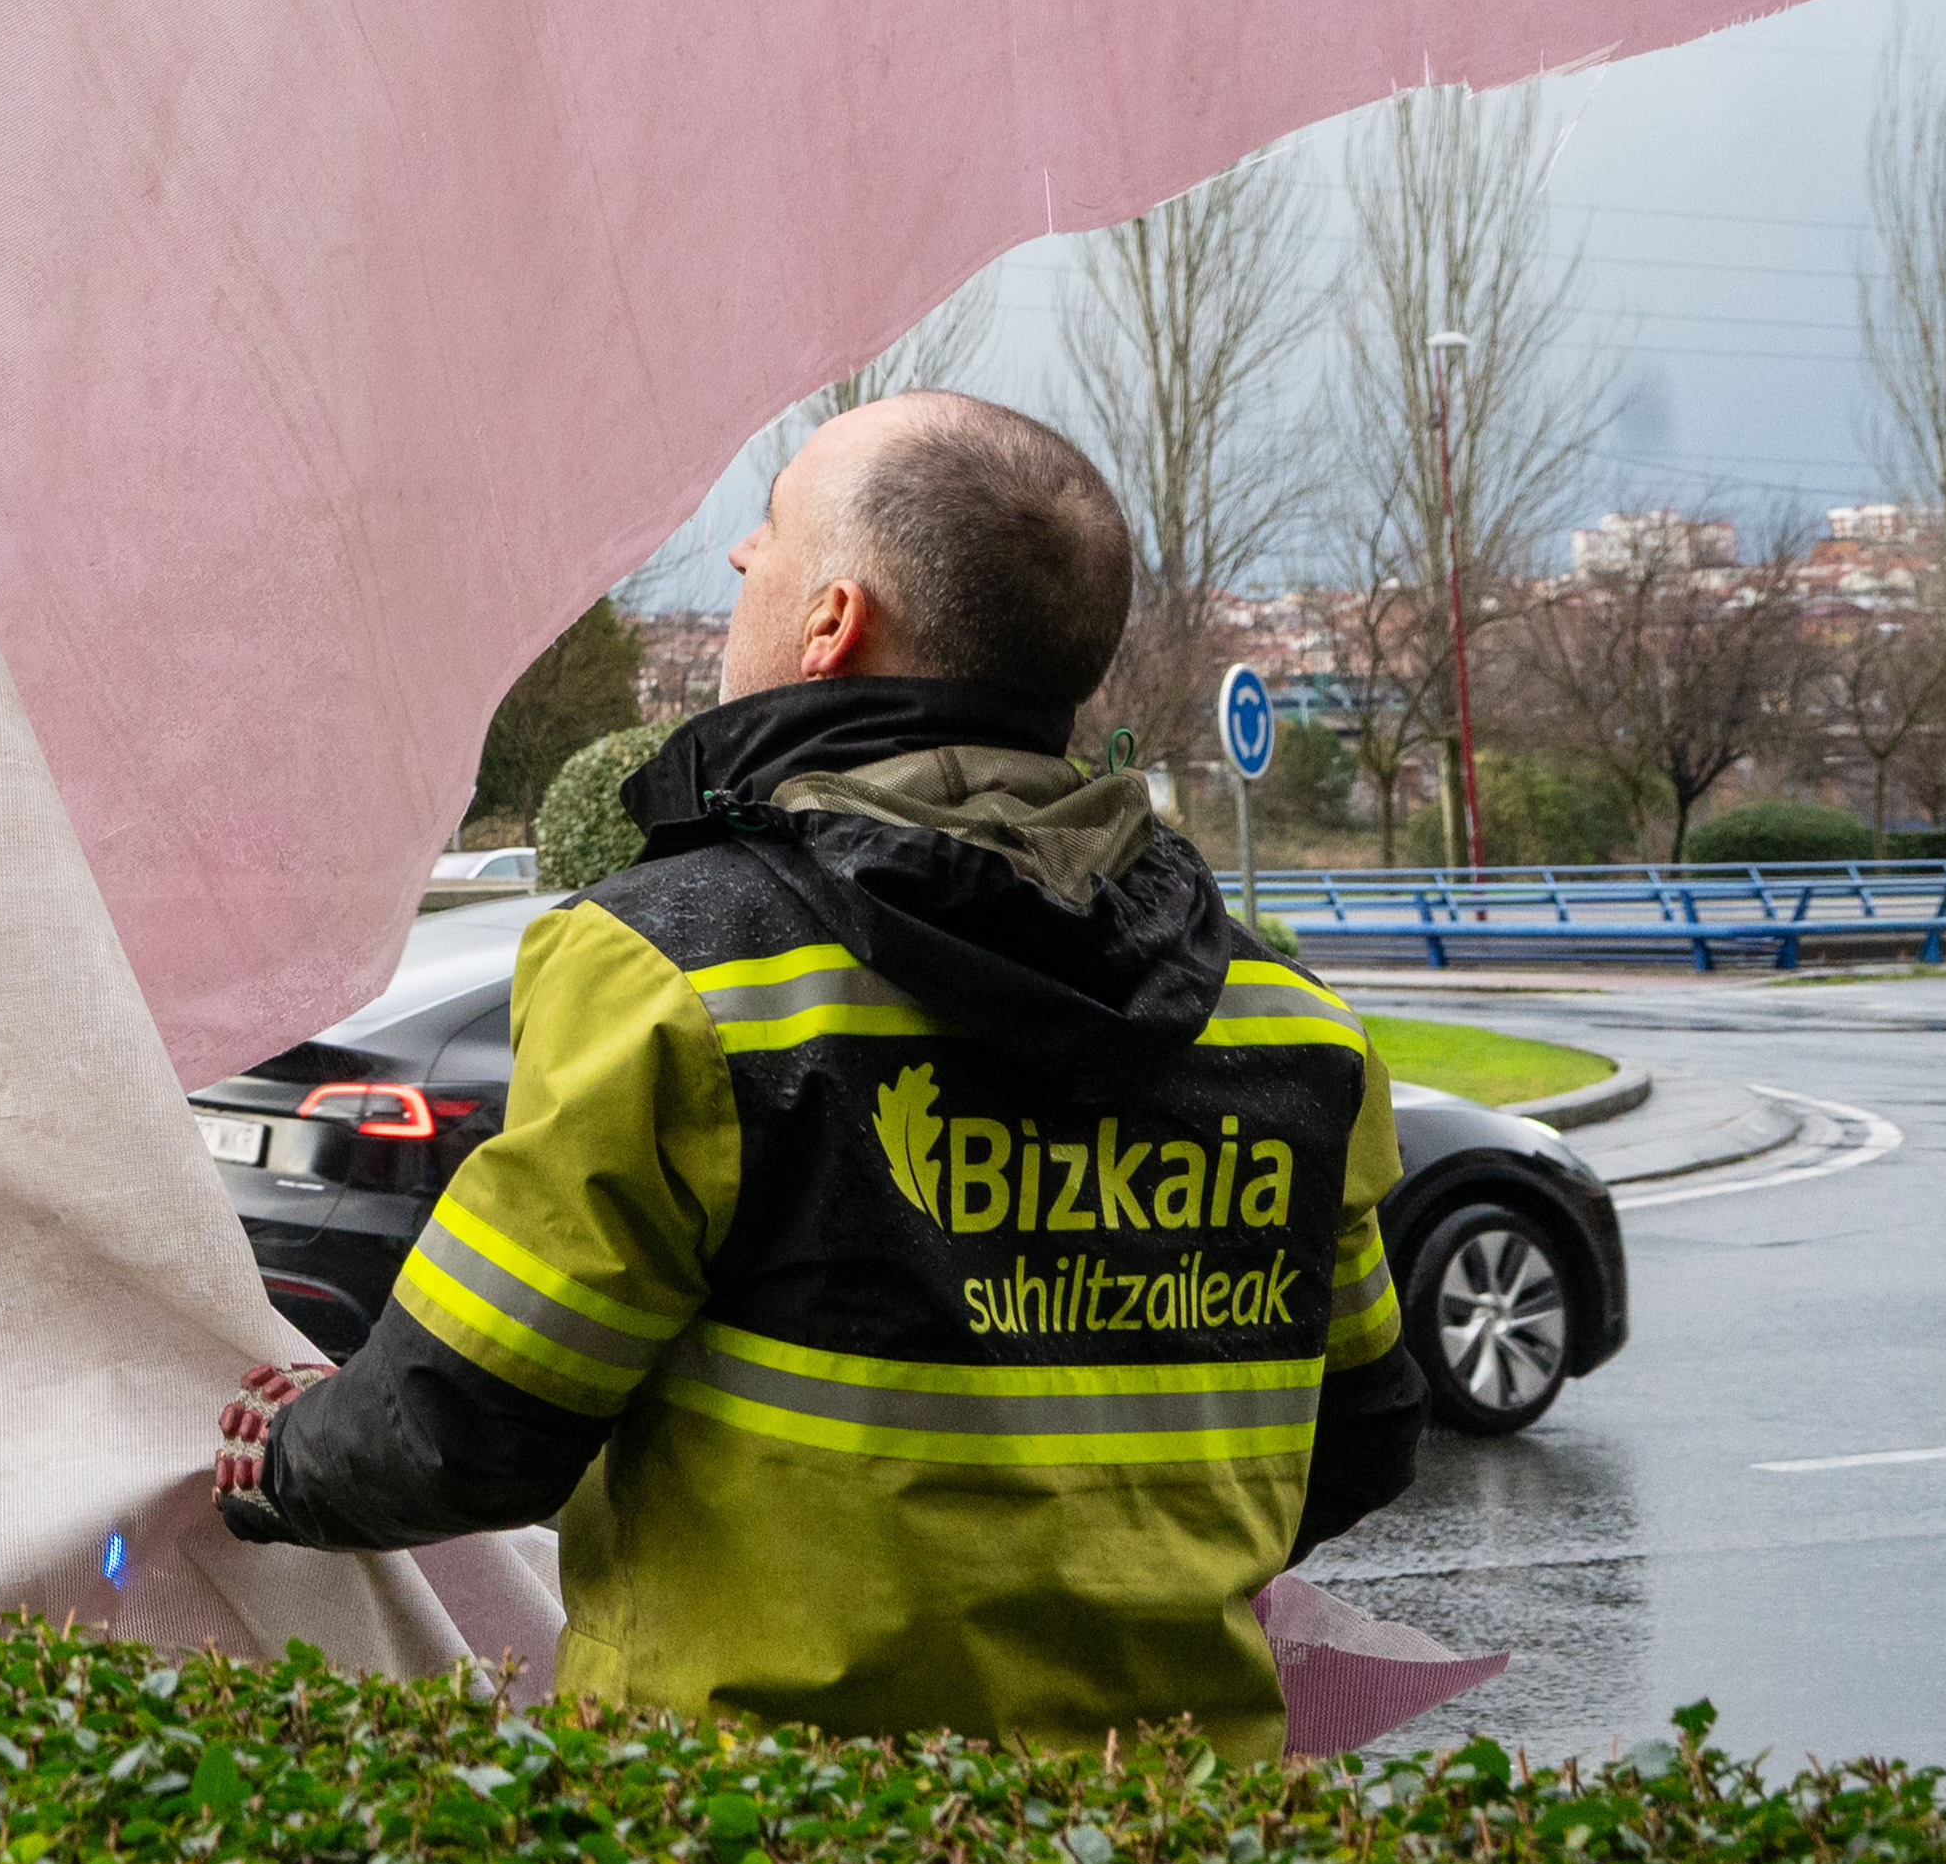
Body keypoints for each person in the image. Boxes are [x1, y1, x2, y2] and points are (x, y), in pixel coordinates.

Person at [213, 392, 1420, 1756]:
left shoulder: (676, 979)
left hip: (770, 1849)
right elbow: (1365, 1429)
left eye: (769, 531)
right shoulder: (1293, 1025)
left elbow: (463, 1426)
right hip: (1174, 1862)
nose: (738, 560)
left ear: (833, 621)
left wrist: (280, 1458)